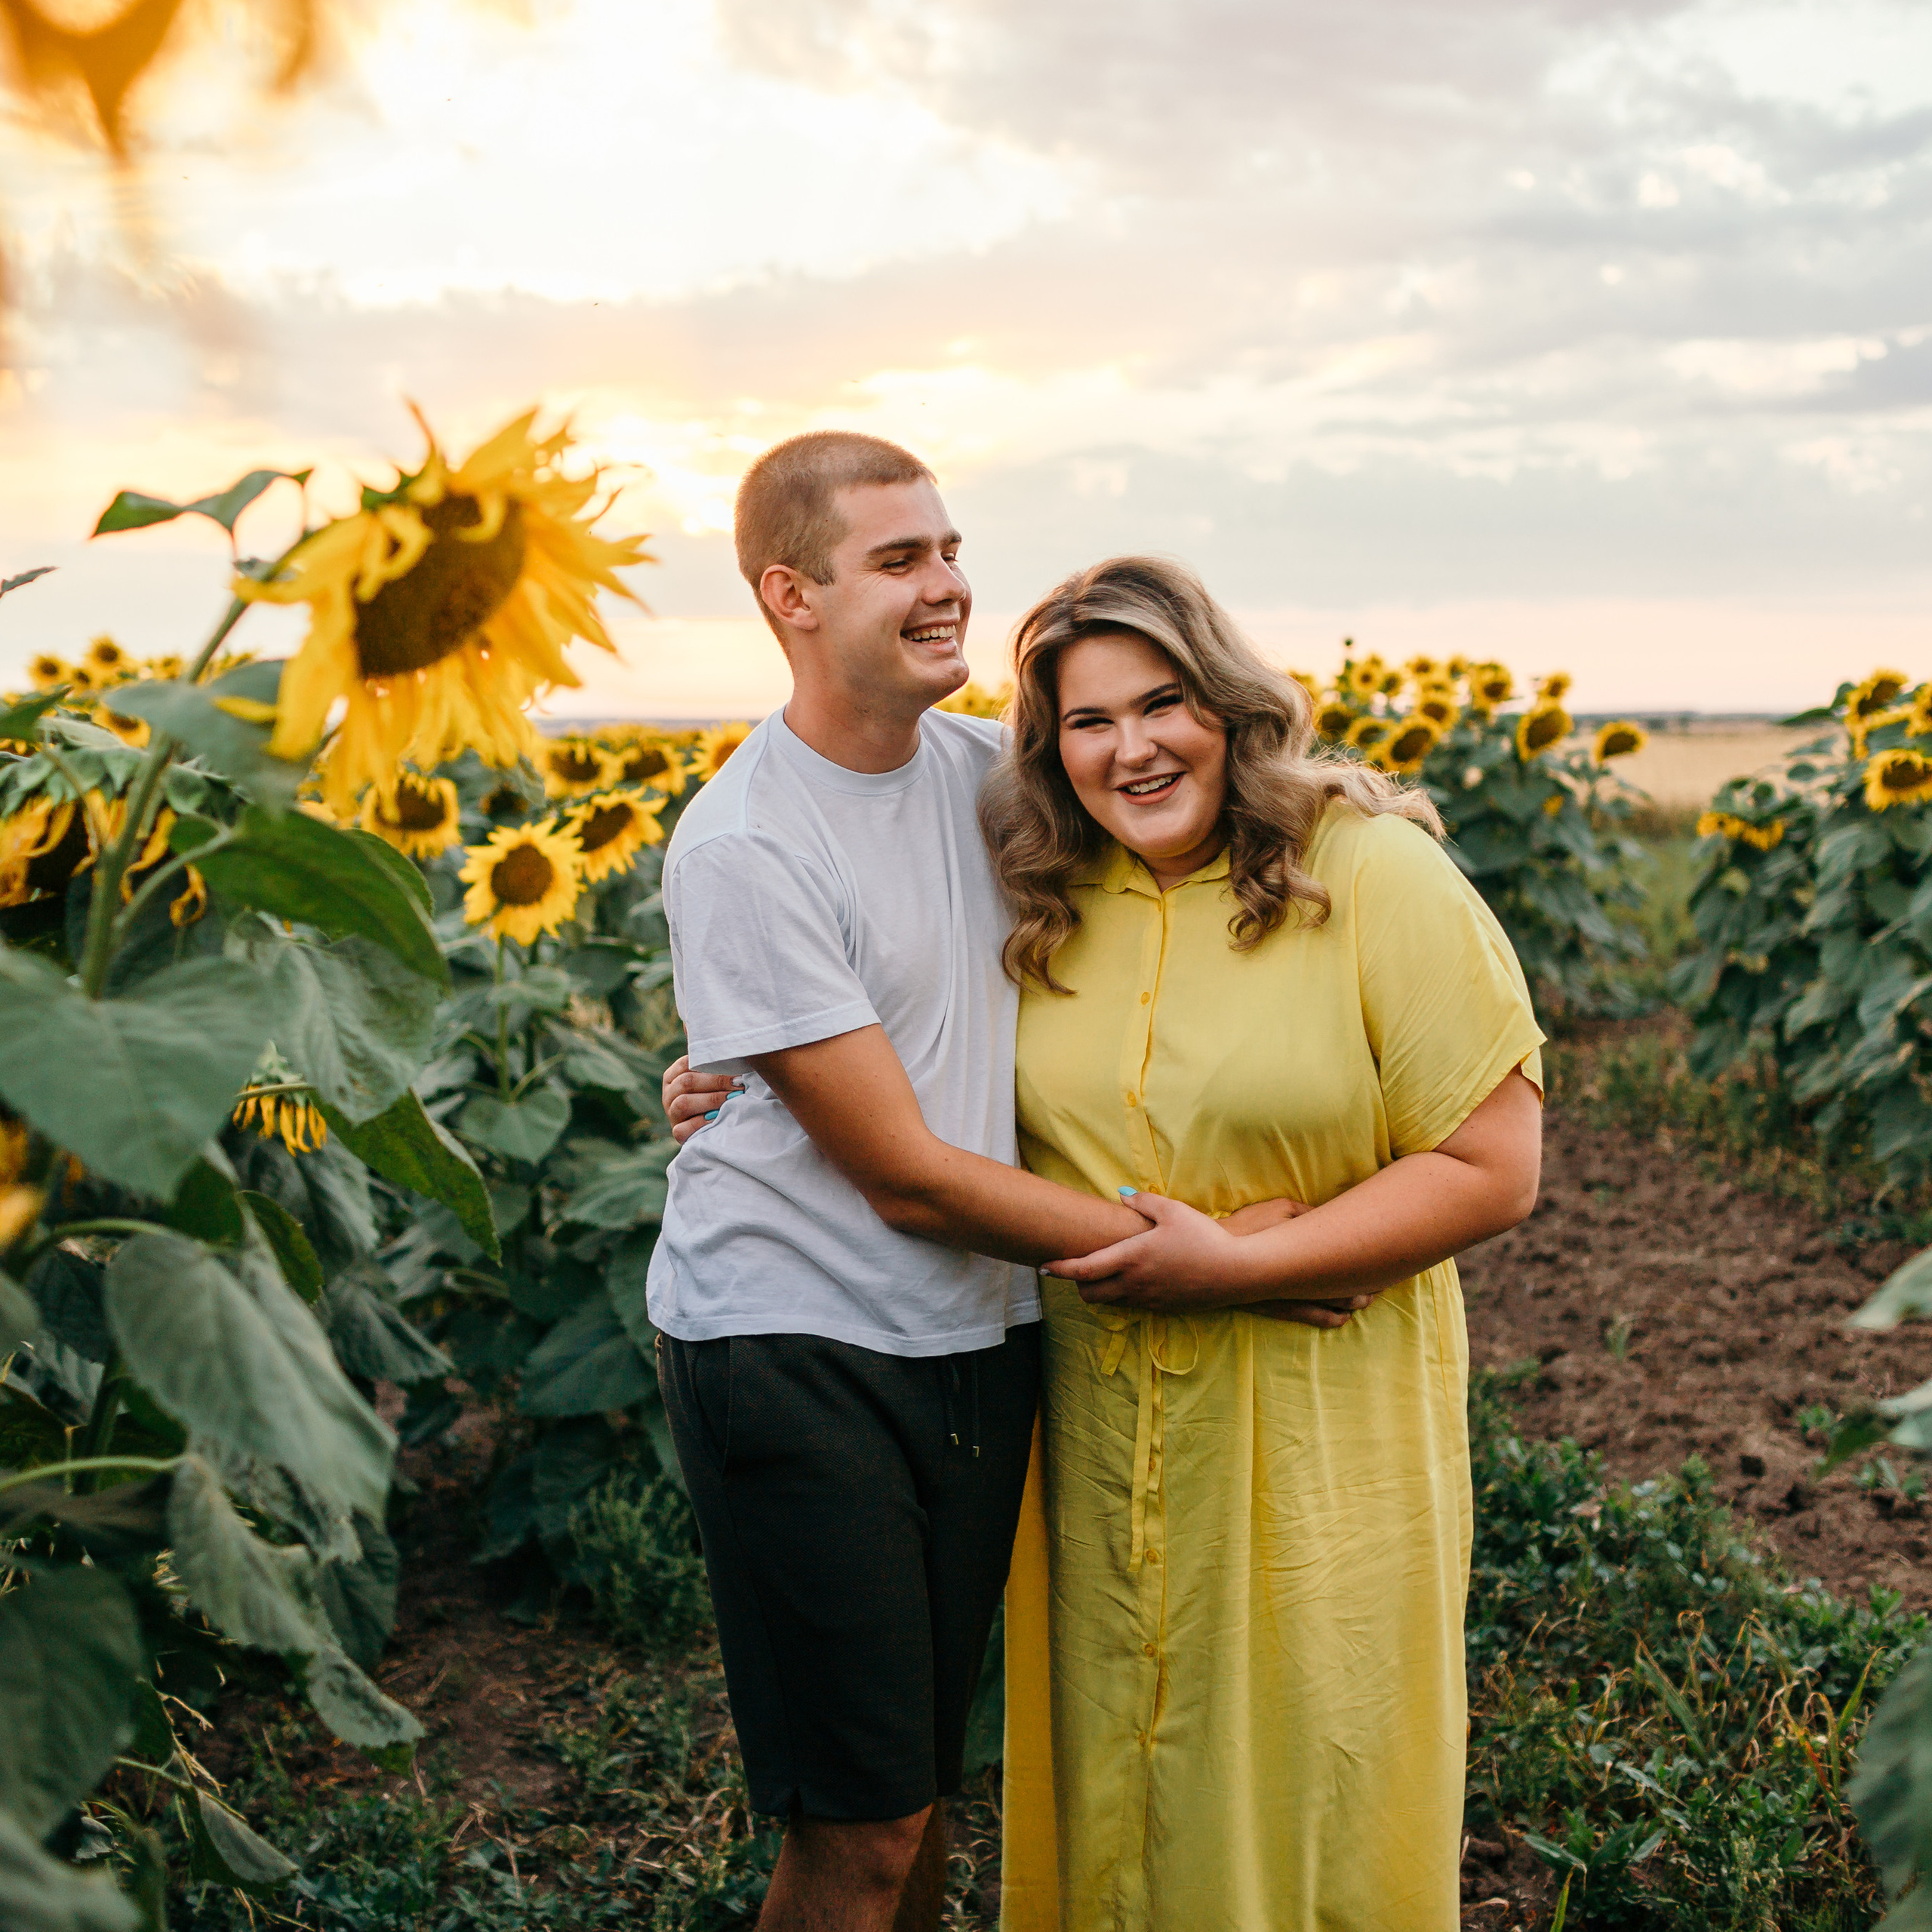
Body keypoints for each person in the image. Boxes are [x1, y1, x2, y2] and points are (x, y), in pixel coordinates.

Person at [648, 436, 1338, 1932]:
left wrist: (1374, 831)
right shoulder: (746, 843)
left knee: (924, 1784)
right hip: (796, 1342)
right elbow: (899, 1174)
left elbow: (1204, 828)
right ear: (788, 594)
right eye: (898, 559)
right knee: (862, 1820)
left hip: (977, 1335)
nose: (948, 584)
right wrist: (1210, 1251)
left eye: (949, 548)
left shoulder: (989, 780)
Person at [980, 557, 1546, 1931]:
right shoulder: (1042, 902)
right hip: (1097, 1435)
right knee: (1117, 1780)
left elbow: (1494, 1165)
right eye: (1088, 721)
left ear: (1229, 705)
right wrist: (729, 1084)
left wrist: (1246, 1266)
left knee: (1308, 1776)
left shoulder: (1370, 874)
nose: (1132, 747)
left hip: (1313, 1432)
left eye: (1161, 702)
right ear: (1051, 749)